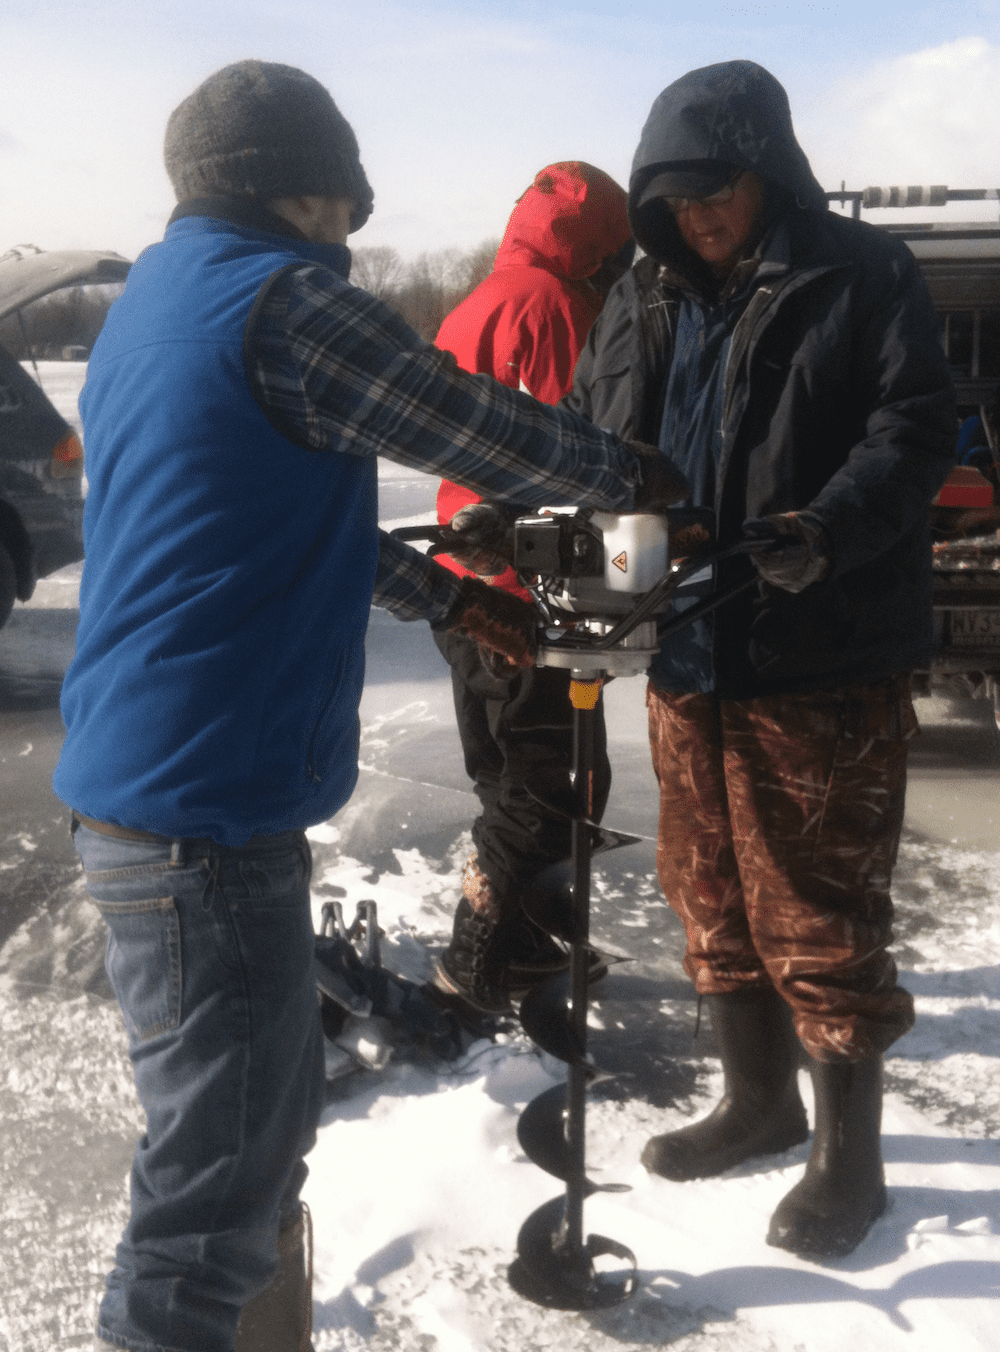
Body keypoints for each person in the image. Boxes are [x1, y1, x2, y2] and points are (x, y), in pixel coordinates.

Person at [52, 61, 687, 1352]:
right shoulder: (282, 302)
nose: (351, 224)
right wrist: (641, 475)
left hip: (162, 795)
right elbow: (470, 424)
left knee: (244, 1147)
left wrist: (449, 599)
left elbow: (261, 516)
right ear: (312, 189)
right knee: (210, 1210)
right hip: (200, 817)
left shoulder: (159, 304)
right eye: (344, 197)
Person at [563, 60, 957, 1258]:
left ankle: (853, 1160)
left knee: (822, 911)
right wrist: (572, 539)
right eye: (671, 200)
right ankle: (754, 1100)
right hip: (687, 651)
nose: (695, 217)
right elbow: (594, 435)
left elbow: (913, 429)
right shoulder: (640, 295)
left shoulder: (862, 273)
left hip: (819, 655)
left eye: (712, 190)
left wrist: (823, 531)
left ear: (766, 170)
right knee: (709, 892)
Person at [431, 161, 634, 1014]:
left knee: (503, 778)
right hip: (525, 586)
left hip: (458, 574)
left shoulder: (474, 302)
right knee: (554, 784)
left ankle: (516, 938)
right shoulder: (562, 312)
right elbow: (571, 451)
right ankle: (478, 962)